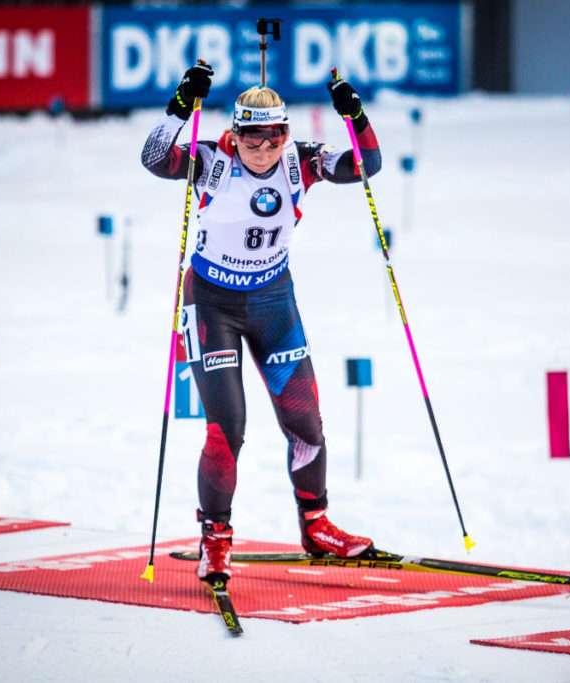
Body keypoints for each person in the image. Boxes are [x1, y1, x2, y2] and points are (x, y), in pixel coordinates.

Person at [141, 61, 382, 585]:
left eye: (272, 138)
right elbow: (154, 157)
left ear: (285, 135)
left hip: (274, 303)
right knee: (228, 431)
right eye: (251, 137)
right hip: (212, 306)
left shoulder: (302, 163)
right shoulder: (211, 160)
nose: (262, 149)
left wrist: (355, 114)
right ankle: (216, 541)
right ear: (234, 131)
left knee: (307, 425)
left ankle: (316, 526)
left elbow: (369, 164)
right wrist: (182, 103)